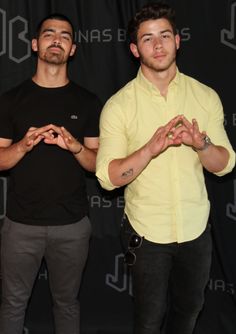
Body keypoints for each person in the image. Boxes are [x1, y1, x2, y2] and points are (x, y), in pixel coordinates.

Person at [96, 2, 235, 334]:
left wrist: (200, 144)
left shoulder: (205, 96)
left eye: (164, 35)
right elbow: (108, 178)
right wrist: (150, 149)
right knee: (149, 320)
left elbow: (225, 165)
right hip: (147, 233)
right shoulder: (119, 105)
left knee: (188, 313)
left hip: (195, 229)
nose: (157, 45)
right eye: (147, 39)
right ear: (134, 49)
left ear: (177, 40)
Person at [0, 13, 101, 334]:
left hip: (72, 226)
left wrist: (74, 147)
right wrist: (23, 145)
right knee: (13, 304)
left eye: (65, 35)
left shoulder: (88, 102)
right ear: (35, 44)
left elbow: (99, 165)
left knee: (67, 303)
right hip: (20, 226)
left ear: (72, 49)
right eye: (49, 34)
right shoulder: (10, 100)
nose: (56, 39)